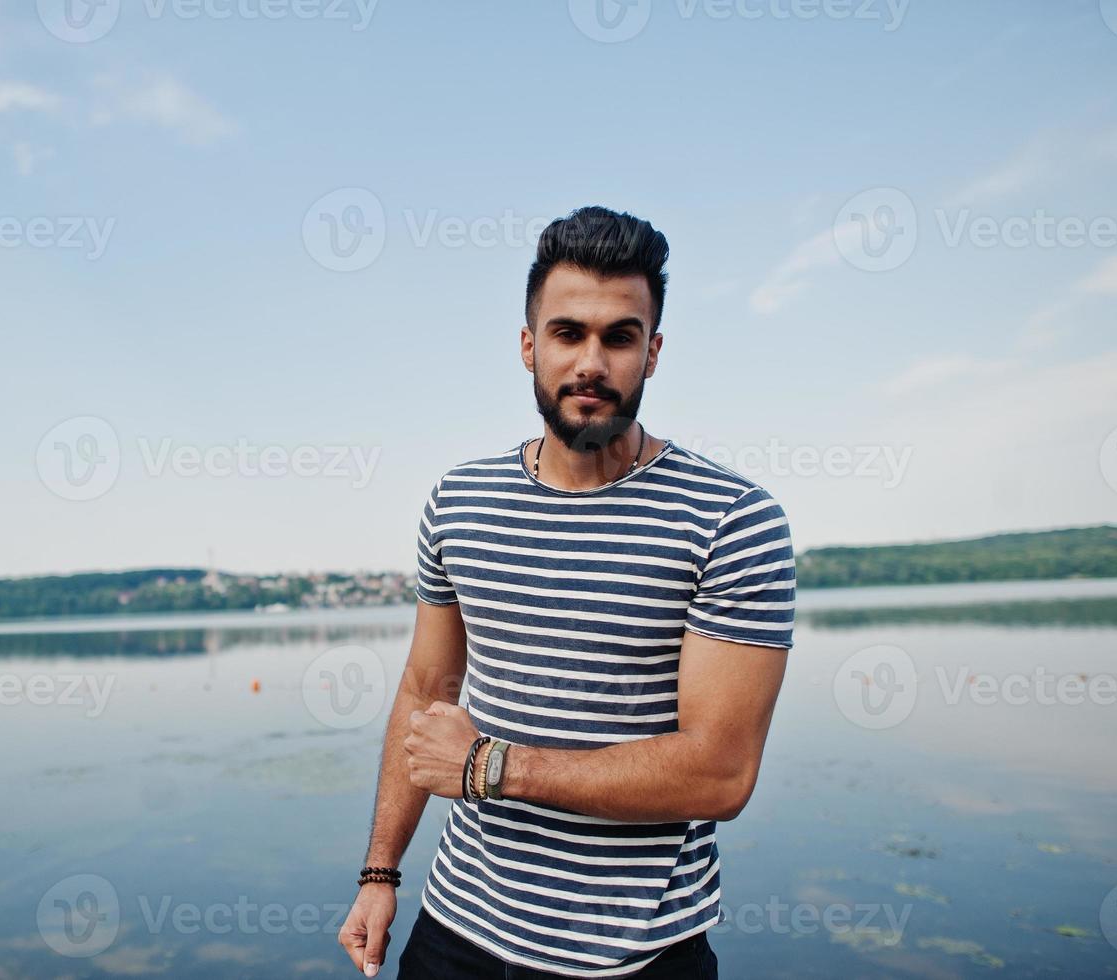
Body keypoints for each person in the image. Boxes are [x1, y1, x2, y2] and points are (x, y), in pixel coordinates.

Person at [337, 205, 796, 978]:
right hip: (456, 930)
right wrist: (380, 873)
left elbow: (720, 771)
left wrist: (491, 766)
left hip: (631, 956)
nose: (591, 361)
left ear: (651, 353)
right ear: (527, 346)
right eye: (566, 333)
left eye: (618, 337)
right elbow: (425, 690)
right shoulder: (460, 502)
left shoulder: (731, 520)